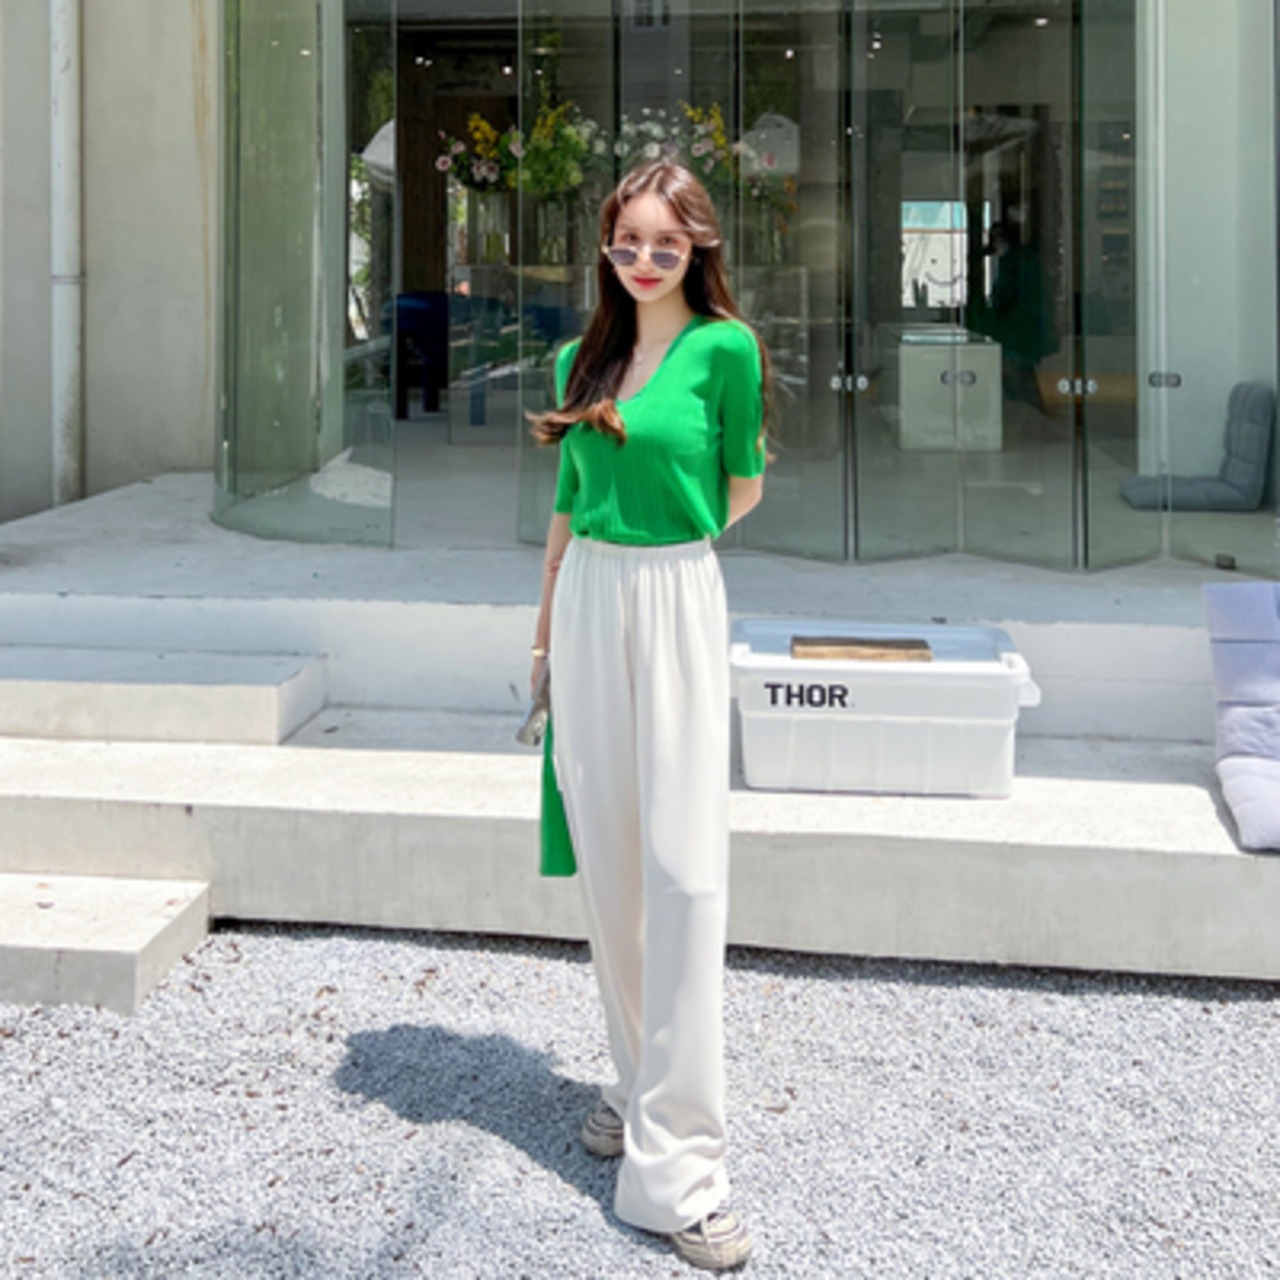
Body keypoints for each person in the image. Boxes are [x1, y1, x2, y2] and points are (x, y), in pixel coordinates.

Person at [527, 160, 769, 1272]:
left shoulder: (727, 351)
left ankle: (681, 1169)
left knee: (682, 872)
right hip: (585, 600)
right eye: (627, 240)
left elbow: (740, 486)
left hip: (674, 591)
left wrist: (666, 544)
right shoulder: (578, 359)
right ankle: (639, 1088)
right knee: (613, 869)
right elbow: (565, 511)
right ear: (605, 246)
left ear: (696, 249)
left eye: (665, 243)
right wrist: (542, 641)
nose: (643, 259)